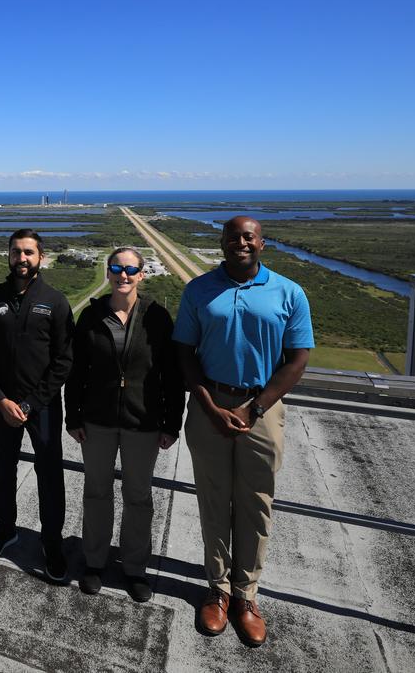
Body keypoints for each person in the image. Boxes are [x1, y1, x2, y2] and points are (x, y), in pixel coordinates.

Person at [173, 216, 314, 647]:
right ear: (222, 243)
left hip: (261, 407)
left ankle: (246, 595)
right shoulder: (199, 289)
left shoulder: (289, 292)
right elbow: (183, 351)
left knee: (256, 504)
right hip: (209, 404)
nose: (241, 243)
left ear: (262, 244)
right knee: (213, 498)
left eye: (249, 237)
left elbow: (297, 359)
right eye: (233, 237)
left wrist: (256, 407)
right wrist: (210, 407)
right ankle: (216, 589)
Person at [65, 247, 183, 602]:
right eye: (116, 268)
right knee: (96, 492)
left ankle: (134, 568)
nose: (123, 275)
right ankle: (95, 562)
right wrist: (73, 416)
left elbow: (172, 375)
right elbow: (76, 371)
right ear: (109, 271)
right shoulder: (92, 315)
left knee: (138, 497)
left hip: (143, 421)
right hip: (97, 420)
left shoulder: (157, 317)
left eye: (131, 269)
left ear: (141, 275)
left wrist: (171, 423)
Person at [0, 229, 73, 582]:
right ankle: (5, 529)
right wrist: (0, 398)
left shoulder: (55, 301)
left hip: (42, 407)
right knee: (2, 471)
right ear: (8, 255)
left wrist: (30, 404)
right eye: (16, 252)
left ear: (40, 257)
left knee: (50, 476)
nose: (22, 258)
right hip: (2, 405)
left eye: (29, 252)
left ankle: (52, 542)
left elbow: (63, 360)